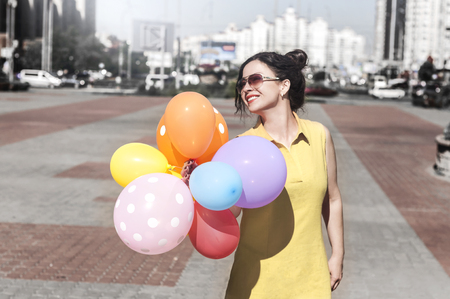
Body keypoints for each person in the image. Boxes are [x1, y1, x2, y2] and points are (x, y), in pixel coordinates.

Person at [225, 49, 344, 298]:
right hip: (256, 283)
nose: (246, 87)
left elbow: (332, 199)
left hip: (311, 278)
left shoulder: (320, 135)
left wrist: (337, 256)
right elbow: (231, 212)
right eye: (242, 83)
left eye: (255, 79)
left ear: (284, 86)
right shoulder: (241, 147)